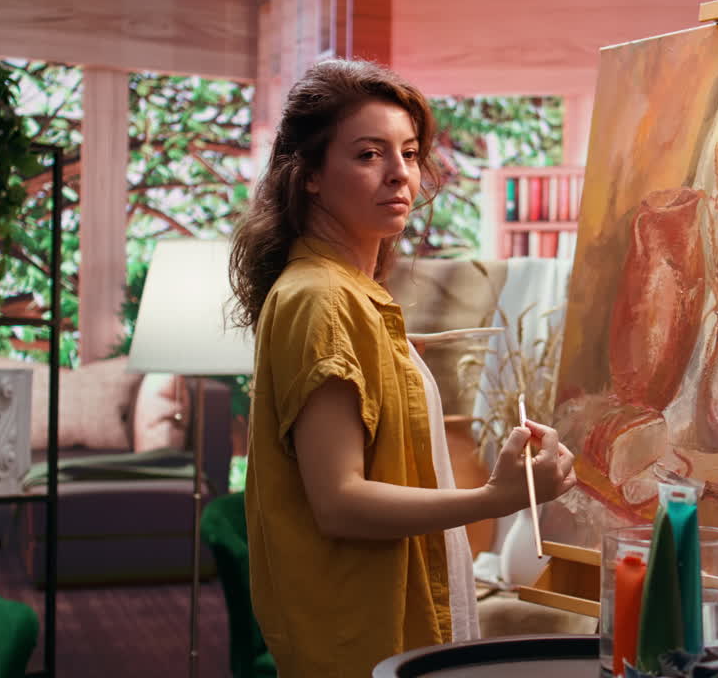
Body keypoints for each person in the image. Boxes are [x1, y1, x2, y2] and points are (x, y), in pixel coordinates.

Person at [227, 58, 577, 678]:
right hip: (360, 635)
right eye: (368, 155)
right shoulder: (320, 297)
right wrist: (492, 498)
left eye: (410, 153)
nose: (400, 175)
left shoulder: (350, 292)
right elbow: (340, 502)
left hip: (376, 620)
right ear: (308, 175)